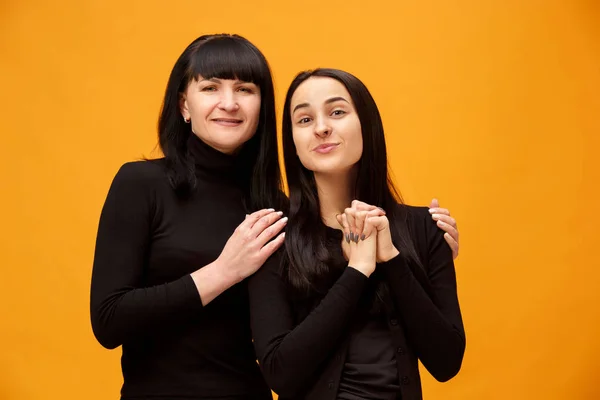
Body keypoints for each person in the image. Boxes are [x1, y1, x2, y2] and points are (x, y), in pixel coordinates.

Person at [90, 34, 287, 399]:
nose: (229, 103)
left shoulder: (275, 208)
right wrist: (224, 271)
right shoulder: (140, 184)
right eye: (211, 87)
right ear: (184, 104)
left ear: (262, 106)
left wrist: (420, 228)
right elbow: (108, 321)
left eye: (245, 89)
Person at [248, 68, 465, 400]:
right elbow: (280, 373)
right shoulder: (275, 236)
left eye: (337, 112)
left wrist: (391, 259)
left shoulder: (425, 227)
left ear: (367, 124)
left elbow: (446, 361)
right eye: (304, 120)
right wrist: (357, 271)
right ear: (292, 141)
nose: (321, 128)